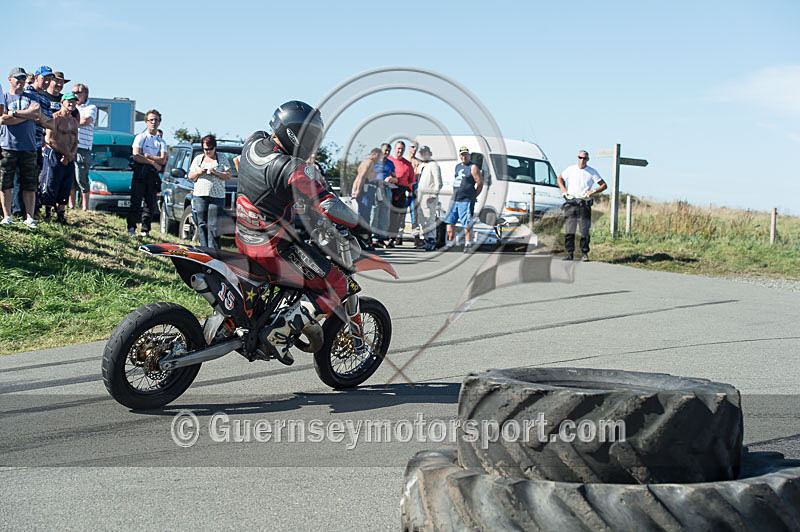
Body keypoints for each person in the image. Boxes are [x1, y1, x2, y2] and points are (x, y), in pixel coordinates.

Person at [236, 100, 360, 366]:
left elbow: (240, 165)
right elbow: (327, 203)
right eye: (311, 137)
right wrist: (356, 220)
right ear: (295, 134)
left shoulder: (253, 142)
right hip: (273, 249)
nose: (314, 144)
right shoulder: (292, 167)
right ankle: (279, 335)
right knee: (337, 284)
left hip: (243, 235)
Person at [0, 67, 41, 228]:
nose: (21, 81)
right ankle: (7, 215)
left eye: (23, 78)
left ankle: (29, 217)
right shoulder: (4, 96)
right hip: (7, 145)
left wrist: (14, 113)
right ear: (10, 79)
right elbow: (2, 119)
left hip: (29, 146)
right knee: (5, 183)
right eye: (17, 77)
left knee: (29, 184)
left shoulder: (31, 96)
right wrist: (26, 115)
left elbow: (36, 113)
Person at [557, 150, 607, 262]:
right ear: (577, 158)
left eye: (584, 158)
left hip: (584, 204)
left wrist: (593, 191)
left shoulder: (592, 172)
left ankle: (584, 253)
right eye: (580, 158)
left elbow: (604, 185)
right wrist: (564, 190)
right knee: (570, 230)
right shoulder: (570, 169)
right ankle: (569, 253)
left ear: (588, 160)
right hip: (571, 203)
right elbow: (559, 178)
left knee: (584, 230)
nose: (582, 160)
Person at [39, 92, 79, 224]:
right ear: (62, 102)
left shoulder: (74, 121)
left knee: (65, 185)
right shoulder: (55, 118)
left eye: (74, 101)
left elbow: (75, 140)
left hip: (68, 156)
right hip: (54, 154)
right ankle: (48, 212)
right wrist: (66, 154)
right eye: (69, 101)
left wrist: (70, 155)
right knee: (51, 182)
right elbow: (49, 139)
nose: (71, 103)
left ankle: (61, 214)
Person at [128, 109, 168, 237]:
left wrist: (147, 155)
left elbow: (163, 160)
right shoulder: (141, 137)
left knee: (149, 203)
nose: (154, 123)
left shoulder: (161, 142)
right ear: (146, 122)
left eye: (156, 120)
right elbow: (136, 156)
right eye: (151, 120)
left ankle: (145, 229)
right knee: (135, 201)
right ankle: (131, 227)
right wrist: (152, 162)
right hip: (140, 173)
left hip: (152, 175)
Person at [187, 135, 230, 248]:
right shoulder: (198, 159)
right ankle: (204, 249)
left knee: (214, 225)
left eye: (210, 149)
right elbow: (190, 176)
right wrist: (199, 172)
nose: (208, 151)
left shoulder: (221, 158)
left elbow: (228, 175)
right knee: (202, 223)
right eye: (205, 149)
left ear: (215, 147)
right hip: (200, 195)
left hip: (217, 196)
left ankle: (214, 251)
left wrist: (216, 172)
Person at [445, 146, 483, 253]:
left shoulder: (473, 167)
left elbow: (480, 183)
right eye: (462, 154)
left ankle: (468, 244)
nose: (464, 157)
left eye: (466, 154)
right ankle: (449, 243)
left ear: (469, 155)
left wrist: (474, 195)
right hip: (455, 198)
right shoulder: (457, 166)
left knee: (466, 222)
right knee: (450, 221)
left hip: (466, 200)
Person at [386, 140, 415, 247]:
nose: (400, 151)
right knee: (385, 214)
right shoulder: (388, 160)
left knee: (397, 216)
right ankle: (380, 237)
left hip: (401, 190)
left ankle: (392, 239)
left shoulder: (407, 164)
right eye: (398, 149)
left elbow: (411, 180)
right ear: (394, 149)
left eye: (402, 149)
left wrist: (406, 189)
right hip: (388, 189)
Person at [73, 83, 96, 211]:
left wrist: (70, 123)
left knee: (81, 176)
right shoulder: (71, 106)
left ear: (85, 94)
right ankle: (71, 205)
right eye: (74, 92)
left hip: (83, 146)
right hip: (70, 145)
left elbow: (85, 121)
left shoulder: (91, 107)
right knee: (71, 177)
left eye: (78, 92)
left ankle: (84, 206)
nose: (76, 94)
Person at [369, 143, 397, 247]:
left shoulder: (390, 163)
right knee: (375, 211)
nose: (387, 153)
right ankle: (372, 236)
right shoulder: (374, 162)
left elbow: (396, 178)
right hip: (375, 188)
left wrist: (391, 179)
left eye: (389, 151)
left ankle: (381, 237)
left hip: (386, 189)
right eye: (385, 150)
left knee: (385, 214)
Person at [416, 145, 442, 251]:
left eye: (425, 152)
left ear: (429, 153)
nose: (424, 155)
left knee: (430, 219)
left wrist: (434, 195)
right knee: (422, 219)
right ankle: (426, 239)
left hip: (429, 196)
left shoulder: (434, 165)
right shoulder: (422, 165)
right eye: (422, 153)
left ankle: (431, 240)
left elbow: (438, 182)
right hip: (420, 196)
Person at [351, 148, 380, 234]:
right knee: (364, 215)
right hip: (365, 190)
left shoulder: (365, 162)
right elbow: (362, 177)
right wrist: (357, 191)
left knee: (364, 213)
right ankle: (363, 235)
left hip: (366, 190)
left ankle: (362, 234)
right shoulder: (369, 162)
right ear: (376, 155)